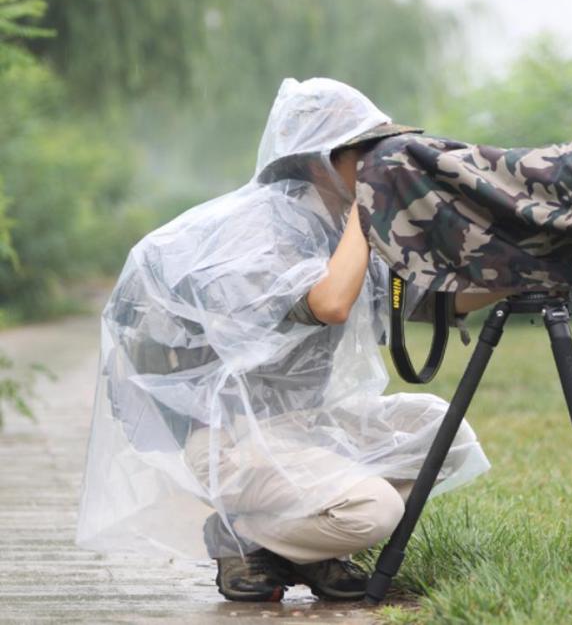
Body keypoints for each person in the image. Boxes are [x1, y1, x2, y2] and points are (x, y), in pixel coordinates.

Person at [76, 78, 510, 602]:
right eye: (366, 155)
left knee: (445, 434)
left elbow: (432, 301)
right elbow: (329, 304)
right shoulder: (258, 231)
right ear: (317, 160)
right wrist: (367, 214)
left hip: (306, 425)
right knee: (374, 511)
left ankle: (299, 546)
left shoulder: (336, 225)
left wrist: (527, 265)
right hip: (229, 439)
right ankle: (241, 537)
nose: (381, 168)